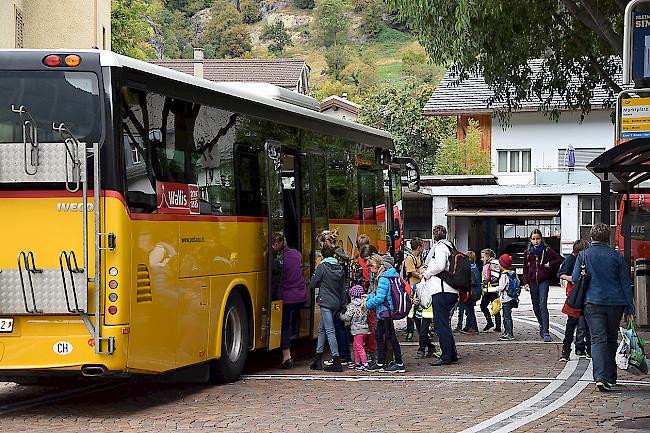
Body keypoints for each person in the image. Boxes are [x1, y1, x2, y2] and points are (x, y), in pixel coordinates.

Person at [571, 223, 635, 392]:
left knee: (597, 339)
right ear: (609, 238)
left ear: (591, 237)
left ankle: (599, 377)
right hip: (616, 303)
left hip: (593, 302)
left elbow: (576, 277)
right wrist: (630, 308)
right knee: (611, 339)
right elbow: (625, 284)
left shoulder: (583, 255)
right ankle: (611, 376)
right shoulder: (617, 257)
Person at [421, 225, 458, 366]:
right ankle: (451, 353)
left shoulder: (441, 247)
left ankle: (447, 355)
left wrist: (427, 273)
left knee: (441, 325)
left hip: (442, 291)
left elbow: (440, 266)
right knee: (444, 325)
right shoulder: (449, 247)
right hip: (448, 290)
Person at [362, 254, 406, 373]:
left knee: (391, 337)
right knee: (379, 335)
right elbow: (380, 294)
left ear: (375, 266)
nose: (370, 270)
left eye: (370, 267)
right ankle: (380, 362)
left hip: (385, 312)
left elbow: (380, 298)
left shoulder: (383, 278)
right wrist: (370, 296)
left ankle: (399, 363)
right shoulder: (387, 276)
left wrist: (366, 304)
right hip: (384, 312)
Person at [272, 233, 308, 369]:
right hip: (301, 297)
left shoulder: (278, 259)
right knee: (289, 318)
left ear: (278, 244)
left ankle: (287, 357)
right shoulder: (297, 254)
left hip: (287, 298)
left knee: (283, 325)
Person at [309, 246, 347, 372]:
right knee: (321, 329)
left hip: (325, 302)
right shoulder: (340, 268)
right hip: (336, 303)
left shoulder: (322, 267)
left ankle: (336, 361)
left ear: (323, 256)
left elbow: (313, 283)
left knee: (330, 331)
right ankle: (317, 359)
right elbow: (342, 288)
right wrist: (343, 304)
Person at [317, 229, 352, 366]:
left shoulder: (332, 258)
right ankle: (343, 355)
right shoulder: (340, 254)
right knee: (337, 326)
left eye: (320, 243)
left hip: (332, 297)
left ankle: (340, 356)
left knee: (335, 328)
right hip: (339, 296)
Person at [523, 229, 564, 342]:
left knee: (542, 304)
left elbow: (560, 259)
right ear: (530, 240)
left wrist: (550, 264)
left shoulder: (546, 250)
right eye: (534, 239)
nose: (536, 241)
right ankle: (541, 324)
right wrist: (525, 282)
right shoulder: (527, 253)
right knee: (535, 306)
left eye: (538, 239)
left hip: (543, 280)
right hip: (532, 282)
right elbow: (525, 269)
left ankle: (546, 331)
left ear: (541, 239)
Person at [558, 239, 592, 362]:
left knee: (583, 324)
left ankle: (584, 349)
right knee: (573, 324)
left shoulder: (583, 258)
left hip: (579, 294)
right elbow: (561, 274)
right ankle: (567, 351)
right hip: (576, 294)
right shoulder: (571, 259)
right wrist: (572, 278)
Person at [355, 244, 377, 360]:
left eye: (367, 260)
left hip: (376, 302)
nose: (366, 264)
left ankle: (372, 351)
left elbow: (377, 289)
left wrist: (368, 299)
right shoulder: (372, 268)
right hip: (373, 299)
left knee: (373, 327)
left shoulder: (378, 269)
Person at [340, 285, 370, 371]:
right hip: (364, 329)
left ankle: (364, 363)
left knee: (359, 347)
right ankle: (357, 362)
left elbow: (347, 317)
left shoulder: (352, 306)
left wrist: (340, 315)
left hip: (357, 330)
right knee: (356, 346)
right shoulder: (364, 304)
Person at [403, 238, 425, 341]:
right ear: (419, 248)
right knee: (411, 310)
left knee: (420, 309)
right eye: (422, 246)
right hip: (411, 287)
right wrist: (421, 274)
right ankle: (410, 331)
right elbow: (411, 272)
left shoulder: (419, 257)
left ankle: (423, 331)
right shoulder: (409, 258)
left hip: (419, 287)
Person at [497, 254, 518, 341]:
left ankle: (509, 333)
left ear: (502, 265)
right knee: (507, 316)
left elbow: (501, 287)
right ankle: (507, 332)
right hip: (511, 298)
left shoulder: (504, 275)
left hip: (506, 298)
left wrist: (492, 289)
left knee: (506, 317)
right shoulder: (512, 273)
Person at [480, 249, 502, 333]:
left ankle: (489, 322)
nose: (482, 259)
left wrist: (484, 285)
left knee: (483, 306)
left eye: (483, 257)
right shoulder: (496, 263)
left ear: (488, 257)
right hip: (495, 288)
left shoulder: (487, 265)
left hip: (489, 289)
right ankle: (498, 326)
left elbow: (487, 278)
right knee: (495, 306)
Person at [462, 251, 480, 334]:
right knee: (468, 310)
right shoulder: (474, 268)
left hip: (471, 293)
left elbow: (472, 282)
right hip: (473, 292)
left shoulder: (471, 270)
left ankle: (473, 326)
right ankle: (468, 325)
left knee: (470, 310)